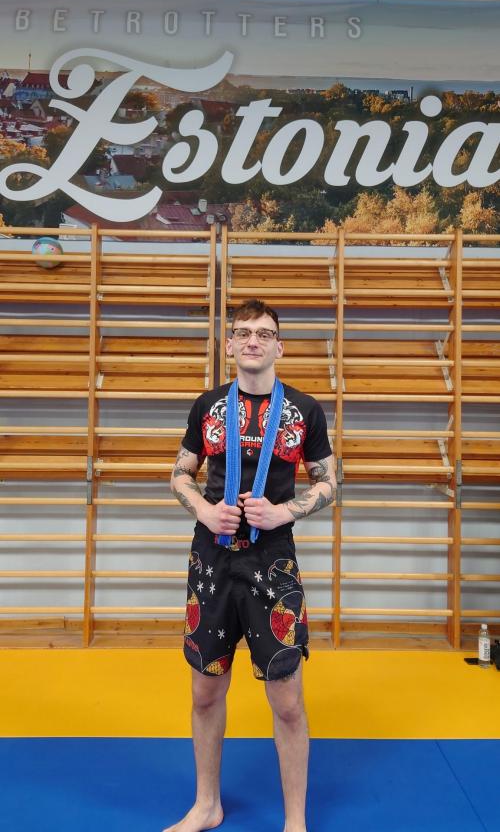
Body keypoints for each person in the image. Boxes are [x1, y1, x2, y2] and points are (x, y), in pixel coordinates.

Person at [165, 298, 336, 832]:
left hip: (272, 561)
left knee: (287, 699)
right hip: (212, 561)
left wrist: (284, 511)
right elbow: (180, 473)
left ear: (279, 346)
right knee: (204, 691)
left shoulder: (304, 410)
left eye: (264, 333)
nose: (253, 340)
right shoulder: (208, 406)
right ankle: (207, 805)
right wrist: (203, 509)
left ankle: (295, 820)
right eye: (243, 332)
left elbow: (329, 481)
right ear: (231, 345)